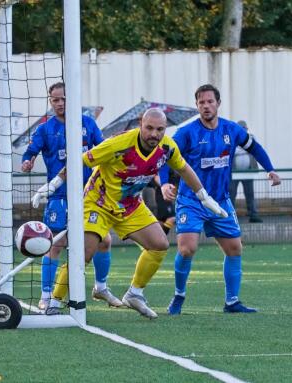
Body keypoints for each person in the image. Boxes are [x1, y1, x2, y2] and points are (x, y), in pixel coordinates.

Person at [35, 107, 227, 319]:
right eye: (150, 128)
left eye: (160, 129)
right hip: (98, 202)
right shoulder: (119, 144)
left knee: (160, 245)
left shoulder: (167, 148)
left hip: (130, 205)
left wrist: (204, 196)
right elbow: (79, 161)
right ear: (140, 124)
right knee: (84, 254)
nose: (154, 134)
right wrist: (52, 185)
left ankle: (134, 293)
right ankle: (55, 300)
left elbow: (184, 169)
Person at [161, 84, 281, 315]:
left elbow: (253, 146)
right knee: (187, 249)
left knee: (235, 249)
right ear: (197, 105)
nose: (206, 106)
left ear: (218, 103)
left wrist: (270, 169)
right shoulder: (186, 133)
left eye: (210, 102)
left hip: (220, 201)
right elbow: (165, 156)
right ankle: (178, 296)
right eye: (201, 103)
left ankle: (232, 302)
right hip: (191, 200)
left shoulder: (231, 129)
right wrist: (165, 183)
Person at [22, 82, 121, 311]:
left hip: (90, 196)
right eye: (55, 100)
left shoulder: (87, 123)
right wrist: (28, 161)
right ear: (51, 102)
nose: (60, 103)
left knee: (104, 241)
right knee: (55, 245)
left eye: (63, 99)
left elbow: (103, 148)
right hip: (59, 196)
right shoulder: (45, 129)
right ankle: (46, 295)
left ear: (72, 99)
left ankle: (101, 287)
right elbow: (30, 152)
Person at [229, 120, 263, 223]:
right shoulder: (231, 137)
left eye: (245, 129)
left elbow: (253, 149)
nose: (244, 130)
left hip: (248, 171)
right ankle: (231, 216)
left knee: (250, 194)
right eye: (241, 129)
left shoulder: (251, 137)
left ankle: (253, 214)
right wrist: (244, 149)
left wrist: (241, 149)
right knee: (231, 194)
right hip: (233, 172)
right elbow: (232, 151)